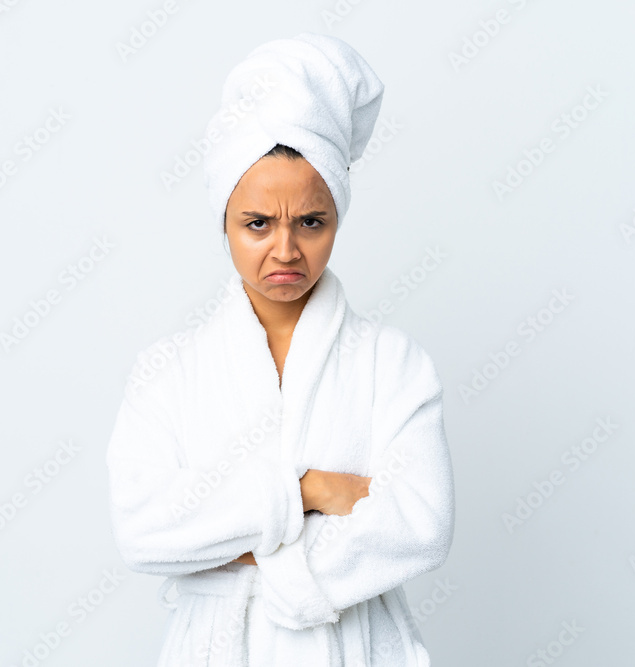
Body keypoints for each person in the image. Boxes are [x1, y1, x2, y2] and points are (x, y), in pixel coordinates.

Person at [106, 32, 454, 666]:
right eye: (258, 224)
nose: (286, 250)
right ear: (224, 220)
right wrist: (309, 490)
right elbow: (144, 531)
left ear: (337, 219)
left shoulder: (393, 365)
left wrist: (238, 547)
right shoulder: (169, 372)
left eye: (311, 222)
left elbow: (420, 525)